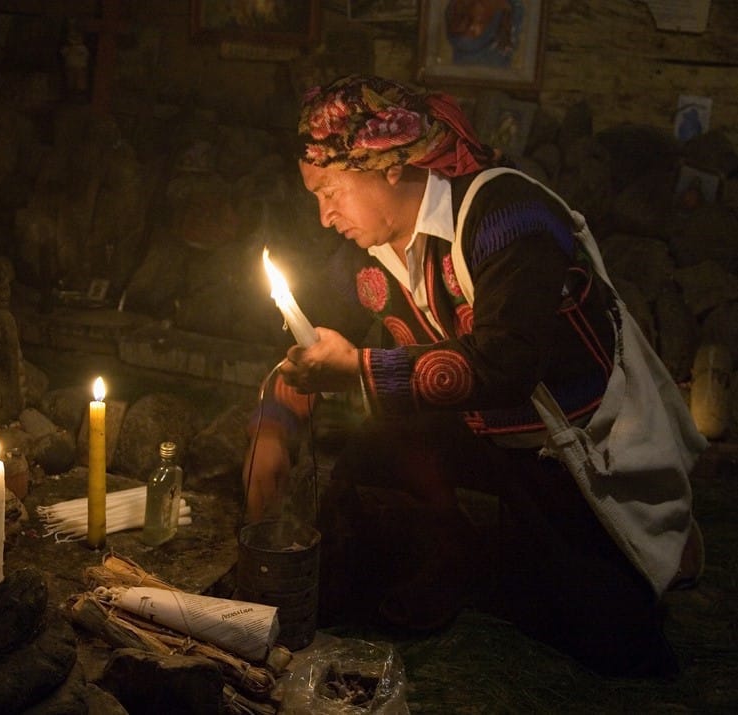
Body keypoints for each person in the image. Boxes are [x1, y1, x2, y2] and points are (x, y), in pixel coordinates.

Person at [242, 74, 704, 677]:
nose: (326, 216)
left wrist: (357, 369)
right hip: (475, 438)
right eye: (314, 197)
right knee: (367, 464)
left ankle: (615, 545)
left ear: (387, 166)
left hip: (570, 454)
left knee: (608, 633)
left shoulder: (507, 213)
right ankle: (453, 546)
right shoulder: (369, 249)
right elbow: (318, 335)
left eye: (330, 190)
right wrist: (278, 410)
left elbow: (507, 363)